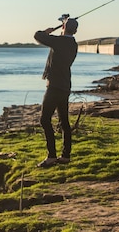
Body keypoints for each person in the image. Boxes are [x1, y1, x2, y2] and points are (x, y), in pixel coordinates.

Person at [33, 18, 78, 168]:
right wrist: (62, 28)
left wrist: (47, 32)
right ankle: (65, 156)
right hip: (65, 85)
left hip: (54, 87)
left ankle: (51, 156)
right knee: (64, 122)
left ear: (64, 27)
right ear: (76, 31)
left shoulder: (60, 42)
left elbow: (38, 36)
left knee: (45, 120)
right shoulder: (73, 44)